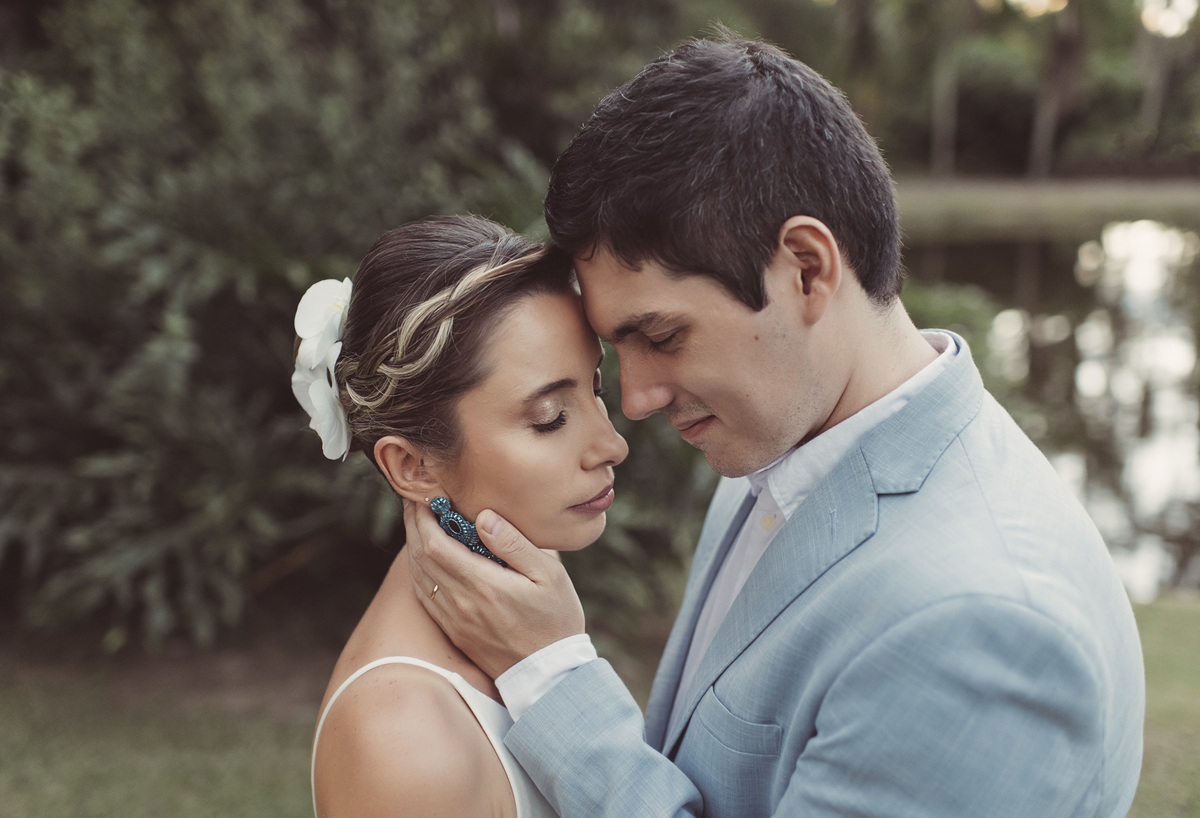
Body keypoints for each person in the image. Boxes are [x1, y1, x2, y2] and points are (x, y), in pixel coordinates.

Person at [404, 35, 1146, 818]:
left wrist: (551, 673)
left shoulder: (978, 627)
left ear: (806, 268)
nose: (637, 401)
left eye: (660, 337)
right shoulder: (788, 443)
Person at [294, 215, 628, 818]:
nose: (612, 444)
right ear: (414, 467)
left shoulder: (525, 610)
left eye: (595, 388)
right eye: (550, 416)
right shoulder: (406, 745)